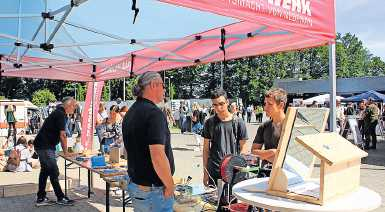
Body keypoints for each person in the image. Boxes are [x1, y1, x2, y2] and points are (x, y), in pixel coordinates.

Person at [123, 72, 175, 212]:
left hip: (139, 185)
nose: (164, 90)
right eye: (163, 86)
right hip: (153, 190)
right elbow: (157, 155)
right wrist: (170, 184)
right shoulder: (154, 113)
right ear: (153, 85)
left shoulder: (131, 112)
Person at [34, 97, 76, 206]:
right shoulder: (60, 114)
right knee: (54, 171)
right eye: (74, 106)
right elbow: (63, 135)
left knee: (45, 171)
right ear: (68, 105)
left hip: (43, 145)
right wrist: (66, 152)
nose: (75, 108)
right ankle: (60, 197)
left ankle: (41, 197)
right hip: (45, 146)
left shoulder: (58, 112)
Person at [202, 89, 248, 187]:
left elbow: (244, 148)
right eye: (215, 105)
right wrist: (205, 173)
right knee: (213, 201)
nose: (218, 107)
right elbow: (206, 149)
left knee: (232, 202)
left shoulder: (238, 122)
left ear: (227, 102)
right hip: (214, 171)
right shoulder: (209, 123)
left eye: (221, 103)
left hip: (232, 171)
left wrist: (239, 169)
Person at [251, 88, 287, 166]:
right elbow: (254, 152)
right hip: (266, 174)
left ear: (281, 105)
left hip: (288, 175)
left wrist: (264, 155)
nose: (265, 108)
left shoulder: (292, 126)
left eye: (270, 104)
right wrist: (272, 152)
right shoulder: (264, 126)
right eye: (265, 104)